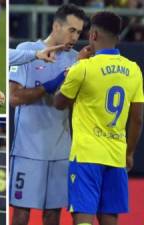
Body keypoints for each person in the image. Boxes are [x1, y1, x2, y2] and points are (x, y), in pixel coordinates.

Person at [54, 11, 144, 225]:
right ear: (118, 38)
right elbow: (137, 119)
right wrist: (129, 153)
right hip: (116, 155)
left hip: (86, 156)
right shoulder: (134, 70)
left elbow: (59, 103)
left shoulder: (84, 68)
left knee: (83, 216)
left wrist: (75, 65)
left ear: (93, 35)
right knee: (109, 218)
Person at [8, 4, 86, 225]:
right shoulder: (27, 50)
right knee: (22, 213)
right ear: (56, 26)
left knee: (53, 214)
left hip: (61, 150)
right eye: (71, 30)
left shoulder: (75, 60)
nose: (75, 36)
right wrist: (50, 85)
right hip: (27, 150)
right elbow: (14, 98)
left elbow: (73, 104)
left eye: (79, 32)